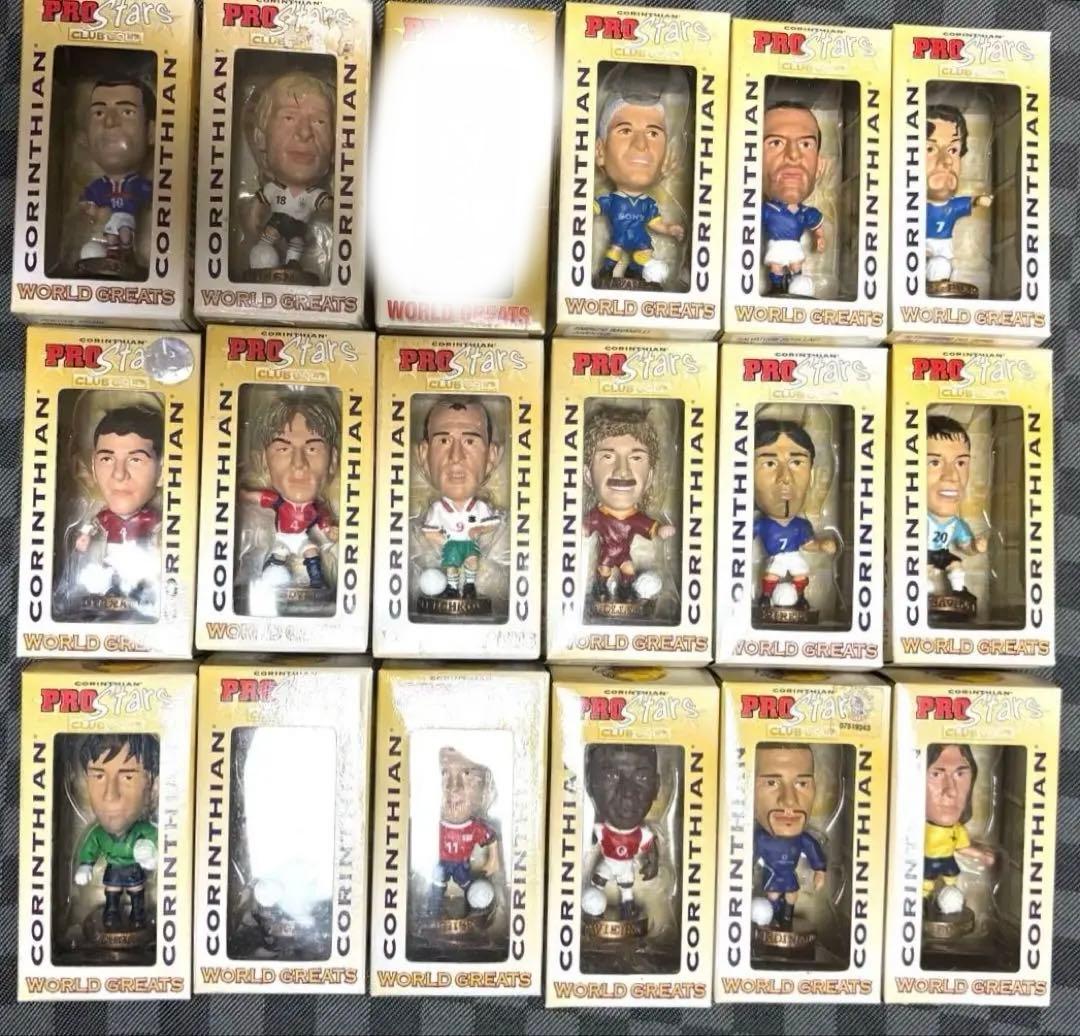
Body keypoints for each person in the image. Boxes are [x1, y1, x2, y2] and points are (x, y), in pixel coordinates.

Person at [240, 392, 339, 590]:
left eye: (312, 449)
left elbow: (324, 521)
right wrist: (240, 494)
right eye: (283, 449)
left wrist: (330, 530)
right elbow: (256, 497)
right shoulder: (276, 503)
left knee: (311, 552)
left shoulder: (317, 509)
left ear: (333, 460)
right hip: (282, 539)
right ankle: (271, 576)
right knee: (277, 558)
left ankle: (317, 580)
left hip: (302, 538)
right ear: (263, 461)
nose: (299, 464)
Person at [583, 406, 675, 605]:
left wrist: (661, 530)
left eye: (636, 458)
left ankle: (625, 592)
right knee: (604, 571)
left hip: (624, 554)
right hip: (606, 555)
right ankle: (601, 590)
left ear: (649, 477)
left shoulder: (635, 518)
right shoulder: (599, 515)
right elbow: (585, 526)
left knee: (628, 570)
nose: (622, 471)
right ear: (587, 475)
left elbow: (651, 527)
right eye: (608, 457)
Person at [247, 72, 335, 276]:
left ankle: (292, 263)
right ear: (260, 137)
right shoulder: (272, 189)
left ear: (335, 145)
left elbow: (331, 207)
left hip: (297, 228)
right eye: (289, 117)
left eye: (320, 121)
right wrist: (252, 217)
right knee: (268, 241)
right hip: (276, 223)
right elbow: (257, 206)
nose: (305, 133)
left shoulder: (313, 195)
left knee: (296, 244)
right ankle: (262, 258)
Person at [594, 89, 684, 284]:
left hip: (640, 238)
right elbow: (592, 208)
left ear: (667, 156)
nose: (641, 144)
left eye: (653, 133)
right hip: (619, 238)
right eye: (625, 131)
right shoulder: (612, 200)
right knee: (614, 251)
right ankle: (606, 272)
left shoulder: (648, 204)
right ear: (600, 152)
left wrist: (669, 229)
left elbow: (655, 223)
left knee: (644, 251)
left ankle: (635, 273)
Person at [73, 405, 162, 602]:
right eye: (107, 458)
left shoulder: (150, 518)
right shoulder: (104, 517)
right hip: (111, 558)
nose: (119, 474)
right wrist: (84, 537)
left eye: (135, 460)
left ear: (162, 469)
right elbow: (91, 527)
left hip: (140, 564)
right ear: (93, 466)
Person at [417, 398, 501, 600]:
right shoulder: (437, 511)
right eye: (444, 441)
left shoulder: (482, 510)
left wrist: (479, 530)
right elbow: (429, 531)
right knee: (452, 566)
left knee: (472, 561)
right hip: (452, 545)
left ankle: (469, 586)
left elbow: (491, 524)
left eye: (470, 441)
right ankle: (453, 588)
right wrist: (443, 540)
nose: (456, 456)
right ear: (424, 455)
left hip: (469, 544)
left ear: (491, 456)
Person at [73, 733, 158, 931]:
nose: (110, 795)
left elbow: (160, 841)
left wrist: (153, 853)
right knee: (112, 893)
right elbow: (90, 848)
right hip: (114, 872)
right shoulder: (98, 834)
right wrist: (85, 865)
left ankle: (138, 913)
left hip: (134, 871)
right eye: (98, 776)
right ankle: (111, 912)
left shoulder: (142, 830)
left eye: (128, 777)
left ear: (151, 784)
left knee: (137, 892)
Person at [753, 419, 835, 611]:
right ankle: (765, 596)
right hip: (777, 558)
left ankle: (801, 597)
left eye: (796, 462)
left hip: (793, 556)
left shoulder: (801, 525)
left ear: (811, 476)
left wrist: (822, 545)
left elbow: (808, 544)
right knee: (771, 575)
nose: (785, 478)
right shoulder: (762, 524)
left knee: (801, 573)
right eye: (770, 463)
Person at [78, 79, 155, 271]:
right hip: (110, 222)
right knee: (112, 238)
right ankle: (114, 257)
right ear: (84, 136)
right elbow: (86, 202)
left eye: (127, 112)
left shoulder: (138, 183)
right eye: (99, 113)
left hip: (127, 220)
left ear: (152, 132)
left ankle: (126, 255)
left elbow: (155, 198)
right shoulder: (99, 185)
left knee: (125, 235)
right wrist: (93, 211)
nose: (110, 122)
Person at [753, 742, 826, 932]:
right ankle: (773, 918)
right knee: (773, 896)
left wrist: (820, 870)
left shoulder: (801, 839)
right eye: (771, 783)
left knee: (791, 896)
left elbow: (813, 850)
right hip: (773, 878)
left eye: (802, 783)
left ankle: (786, 919)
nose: (789, 800)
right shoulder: (760, 840)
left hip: (789, 878)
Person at [582, 744, 660, 922]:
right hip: (608, 863)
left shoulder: (641, 833)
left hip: (626, 866)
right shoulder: (601, 828)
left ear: (657, 786)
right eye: (611, 776)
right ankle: (592, 908)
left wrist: (653, 862)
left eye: (641, 777)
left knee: (626, 888)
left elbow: (651, 846)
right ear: (589, 782)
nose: (627, 792)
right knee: (598, 882)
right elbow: (591, 837)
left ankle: (627, 909)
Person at [760, 101, 825, 296]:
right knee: (776, 267)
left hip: (794, 248)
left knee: (796, 268)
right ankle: (777, 287)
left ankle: (796, 285)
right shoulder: (766, 210)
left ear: (820, 166)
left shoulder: (806, 212)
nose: (793, 155)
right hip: (776, 248)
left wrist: (820, 237)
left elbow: (816, 225)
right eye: (776, 143)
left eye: (805, 144)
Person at [925, 104, 992, 288]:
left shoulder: (952, 206)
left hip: (941, 251)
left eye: (953, 150)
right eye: (930, 149)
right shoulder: (909, 206)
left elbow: (971, 202)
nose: (946, 160)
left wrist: (980, 200)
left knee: (940, 266)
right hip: (913, 253)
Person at [924, 743, 994, 912]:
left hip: (948, 863)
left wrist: (981, 855)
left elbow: (962, 847)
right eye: (936, 774)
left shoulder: (957, 830)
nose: (951, 791)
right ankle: (924, 901)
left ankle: (947, 901)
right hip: (927, 864)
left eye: (960, 774)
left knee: (951, 879)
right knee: (926, 884)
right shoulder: (919, 829)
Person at [429, 747, 500, 916]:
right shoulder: (436, 825)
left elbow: (491, 837)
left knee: (470, 886)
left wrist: (493, 860)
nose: (454, 788)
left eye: (467, 774)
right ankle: (433, 909)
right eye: (445, 773)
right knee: (437, 883)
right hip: (443, 864)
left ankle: (477, 908)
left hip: (462, 865)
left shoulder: (474, 827)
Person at [926, 414, 987, 604]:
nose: (952, 476)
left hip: (940, 553)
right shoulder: (916, 520)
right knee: (923, 572)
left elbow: (965, 545)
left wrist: (975, 546)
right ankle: (924, 593)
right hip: (919, 555)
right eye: (935, 462)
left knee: (956, 565)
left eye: (960, 463)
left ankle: (959, 591)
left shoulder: (956, 524)